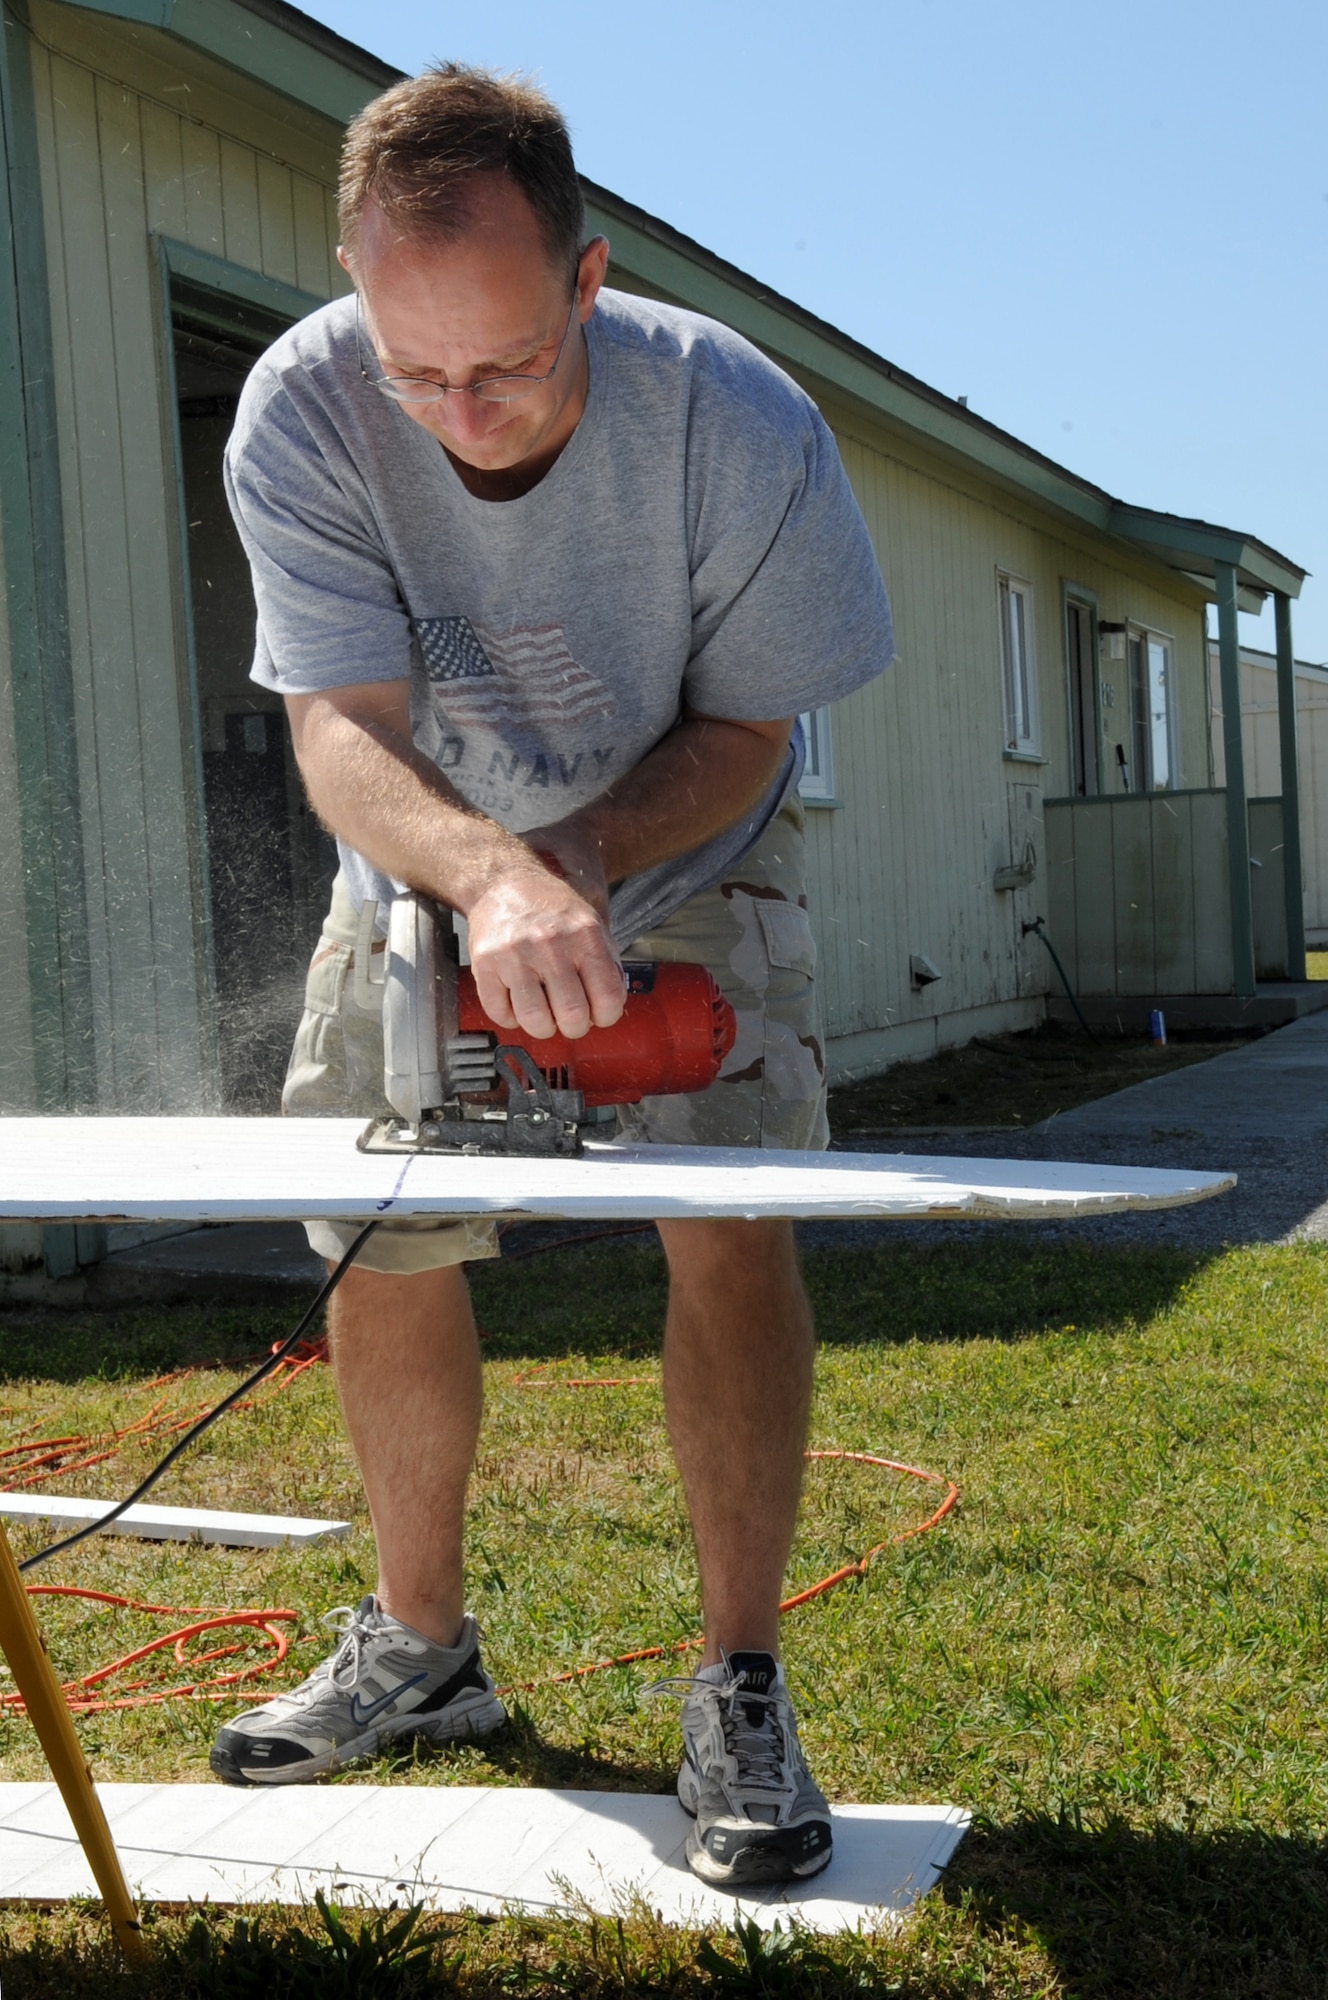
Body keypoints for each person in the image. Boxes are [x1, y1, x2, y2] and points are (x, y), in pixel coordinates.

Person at [212, 64, 893, 1889]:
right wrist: (483, 875)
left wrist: (577, 866)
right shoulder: (302, 409)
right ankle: (419, 1646)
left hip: (683, 845)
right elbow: (342, 731)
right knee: (383, 1235)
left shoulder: (736, 425)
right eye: (415, 370)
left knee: (729, 1225)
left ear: (588, 281)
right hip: (423, 858)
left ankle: (741, 1679)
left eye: (503, 364)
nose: (460, 411)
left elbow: (755, 724)